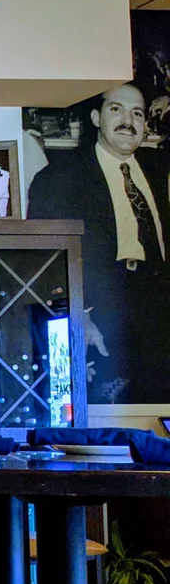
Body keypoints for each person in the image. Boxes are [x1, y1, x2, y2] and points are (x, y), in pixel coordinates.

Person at [29, 82, 169, 401]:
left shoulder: (159, 175)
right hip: (99, 308)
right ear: (95, 118)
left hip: (159, 307)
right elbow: (42, 257)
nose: (128, 120)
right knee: (107, 409)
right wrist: (77, 311)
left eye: (137, 113)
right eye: (116, 109)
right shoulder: (58, 179)